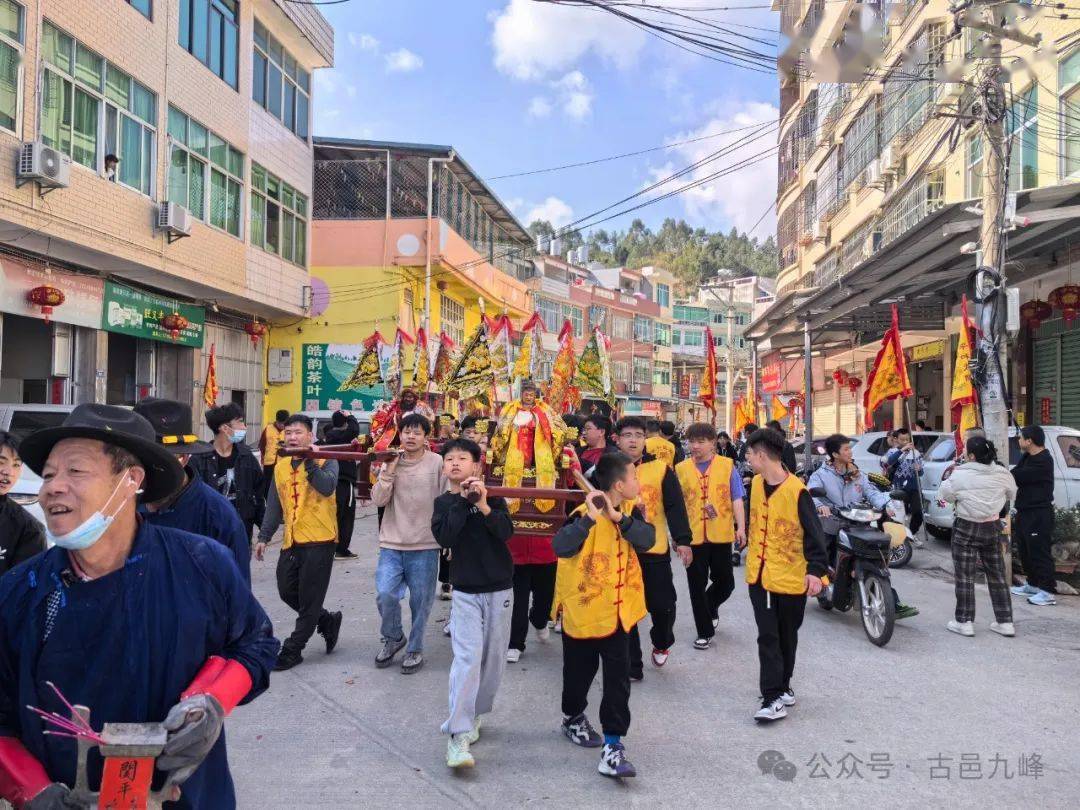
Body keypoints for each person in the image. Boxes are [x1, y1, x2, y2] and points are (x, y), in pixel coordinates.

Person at [0, 404, 277, 807]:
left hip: (188, 797)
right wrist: (31, 789)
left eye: (75, 471)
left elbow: (256, 644)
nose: (51, 488)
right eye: (47, 475)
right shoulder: (20, 592)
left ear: (130, 480)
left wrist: (212, 700)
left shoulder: (201, 564)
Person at [551, 452, 654, 779]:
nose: (638, 483)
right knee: (578, 675)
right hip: (584, 612)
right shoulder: (583, 513)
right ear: (620, 484)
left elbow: (648, 539)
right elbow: (561, 547)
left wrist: (618, 518)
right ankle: (572, 717)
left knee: (617, 681)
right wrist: (589, 520)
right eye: (634, 478)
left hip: (619, 614)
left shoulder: (630, 513)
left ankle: (613, 744)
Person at [432, 439, 515, 769]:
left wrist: (482, 504)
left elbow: (506, 532)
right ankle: (458, 734)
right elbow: (445, 537)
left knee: (493, 663)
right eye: (449, 458)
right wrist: (462, 503)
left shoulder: (493, 497)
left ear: (477, 465)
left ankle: (476, 714)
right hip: (465, 591)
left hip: (500, 588)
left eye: (462, 458)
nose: (454, 463)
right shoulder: (443, 503)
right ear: (444, 468)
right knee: (467, 659)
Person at [743, 428, 828, 723]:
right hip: (761, 577)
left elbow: (815, 537)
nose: (748, 459)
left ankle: (783, 684)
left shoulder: (797, 492)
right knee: (768, 636)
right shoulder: (754, 484)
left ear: (763, 455)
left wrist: (816, 572)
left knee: (786, 636)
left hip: (791, 578)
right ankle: (772, 697)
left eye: (750, 454)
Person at [255, 414, 342, 671]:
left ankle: (293, 649)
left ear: (310, 436)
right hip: (291, 539)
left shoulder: (329, 459)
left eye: (298, 432)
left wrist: (311, 463)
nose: (292, 437)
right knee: (286, 590)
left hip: (320, 539)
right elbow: (274, 503)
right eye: (289, 432)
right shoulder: (281, 464)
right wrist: (264, 536)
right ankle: (325, 620)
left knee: (309, 598)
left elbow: (327, 487)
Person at [136, 398, 252, 584]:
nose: (139, 469)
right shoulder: (119, 505)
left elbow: (238, 598)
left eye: (154, 458)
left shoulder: (217, 516)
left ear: (183, 457)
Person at [613, 416, 692, 676]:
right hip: (620, 551)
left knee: (663, 604)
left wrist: (682, 540)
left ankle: (661, 642)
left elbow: (675, 506)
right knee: (625, 608)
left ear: (645, 439)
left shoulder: (661, 469)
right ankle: (632, 663)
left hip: (654, 549)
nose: (633, 440)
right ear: (618, 439)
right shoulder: (608, 469)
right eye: (628, 435)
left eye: (638, 434)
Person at [807, 434, 919, 619]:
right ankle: (822, 585)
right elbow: (811, 494)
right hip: (831, 524)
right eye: (846, 449)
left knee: (876, 555)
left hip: (858, 523)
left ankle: (892, 600)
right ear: (835, 454)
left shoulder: (857, 474)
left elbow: (872, 492)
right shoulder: (821, 475)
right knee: (822, 557)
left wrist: (886, 504)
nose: (850, 452)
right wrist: (821, 506)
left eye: (850, 448)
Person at [371, 412, 447, 673]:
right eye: (406, 432)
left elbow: (447, 499)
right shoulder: (390, 461)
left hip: (425, 544)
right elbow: (379, 500)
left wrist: (448, 538)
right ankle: (393, 638)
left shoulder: (438, 463)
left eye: (417, 432)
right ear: (399, 434)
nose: (411, 436)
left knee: (421, 602)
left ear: (426, 437)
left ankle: (414, 648)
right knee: (385, 594)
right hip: (392, 542)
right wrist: (388, 472)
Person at [675, 422, 746, 650]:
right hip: (692, 537)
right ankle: (704, 631)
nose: (695, 446)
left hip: (721, 534)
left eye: (700, 441)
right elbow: (675, 505)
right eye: (691, 441)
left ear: (713, 443)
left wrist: (741, 527)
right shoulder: (681, 469)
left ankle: (710, 606)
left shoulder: (727, 466)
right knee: (696, 585)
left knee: (726, 582)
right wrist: (678, 537)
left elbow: (737, 498)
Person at [939, 436, 1017, 637]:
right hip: (992, 526)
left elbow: (945, 494)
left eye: (965, 450)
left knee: (965, 576)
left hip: (966, 527)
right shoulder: (1002, 473)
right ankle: (1005, 621)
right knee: (997, 575)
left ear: (971, 455)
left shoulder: (959, 475)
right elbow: (1012, 493)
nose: (963, 452)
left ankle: (964, 622)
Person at [191, 402, 264, 542]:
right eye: (240, 422)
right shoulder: (199, 459)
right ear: (225, 428)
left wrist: (264, 534)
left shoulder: (246, 457)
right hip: (208, 534)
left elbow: (258, 496)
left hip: (240, 531)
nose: (244, 427)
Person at [1011, 425, 1057, 607]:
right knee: (1025, 550)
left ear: (1029, 441)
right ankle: (1032, 584)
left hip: (1039, 513)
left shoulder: (1044, 460)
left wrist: (1012, 473)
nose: (1019, 441)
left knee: (1039, 552)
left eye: (1021, 438)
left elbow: (1018, 475)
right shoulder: (1028, 456)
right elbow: (1016, 473)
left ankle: (1047, 591)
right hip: (1025, 510)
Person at [0, 431, 45, 577]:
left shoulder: (28, 529)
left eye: (16, 465)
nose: (8, 472)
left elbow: (21, 588)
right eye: (1, 462)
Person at [319, 410, 362, 560]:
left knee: (337, 514)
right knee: (346, 516)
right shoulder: (339, 436)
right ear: (344, 422)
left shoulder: (331, 437)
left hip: (336, 480)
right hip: (344, 480)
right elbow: (354, 429)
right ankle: (340, 549)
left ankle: (334, 547)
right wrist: (350, 415)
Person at [882, 427, 924, 539]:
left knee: (918, 511)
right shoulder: (892, 451)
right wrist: (902, 450)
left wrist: (918, 469)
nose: (905, 442)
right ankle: (898, 535)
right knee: (899, 513)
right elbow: (888, 462)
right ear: (896, 439)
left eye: (907, 439)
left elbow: (921, 473)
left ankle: (911, 533)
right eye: (902, 439)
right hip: (898, 487)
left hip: (914, 487)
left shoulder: (916, 453)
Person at [370, 387, 436, 450]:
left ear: (414, 398)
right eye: (406, 397)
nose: (408, 399)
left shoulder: (421, 406)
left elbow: (431, 418)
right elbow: (386, 415)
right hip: (397, 435)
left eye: (410, 397)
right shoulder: (397, 405)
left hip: (416, 435)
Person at [259, 409, 289, 498]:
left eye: (284, 424)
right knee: (267, 484)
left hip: (284, 463)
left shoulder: (289, 431)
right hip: (269, 463)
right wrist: (263, 458)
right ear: (277, 421)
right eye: (281, 423)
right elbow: (262, 445)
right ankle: (266, 501)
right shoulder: (268, 429)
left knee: (282, 483)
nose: (282, 426)